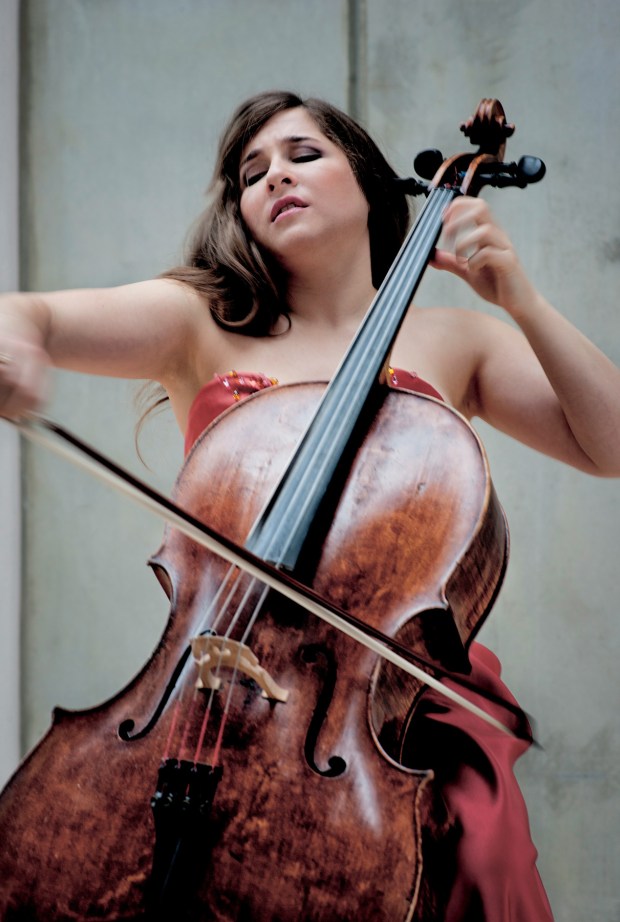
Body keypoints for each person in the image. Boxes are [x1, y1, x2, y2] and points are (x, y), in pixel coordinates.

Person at [0, 90, 619, 921]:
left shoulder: (456, 342)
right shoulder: (200, 324)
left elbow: (608, 446)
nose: (274, 178)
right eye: (251, 173)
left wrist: (523, 303)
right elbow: (28, 314)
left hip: (398, 705)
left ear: (370, 183)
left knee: (472, 850)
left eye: (302, 154)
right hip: (210, 691)